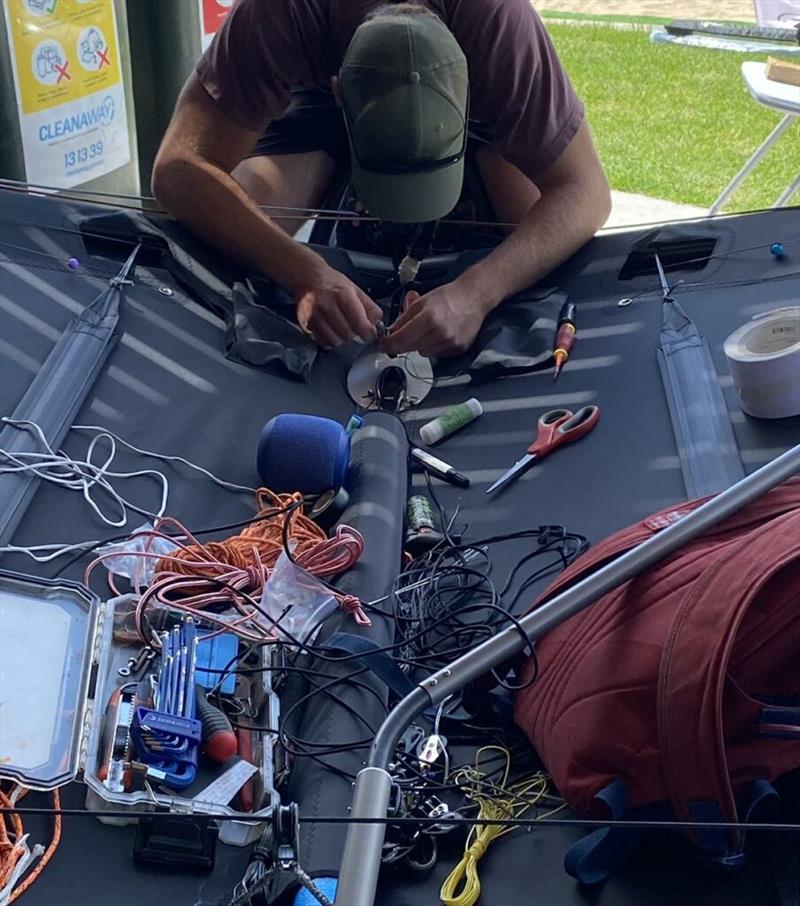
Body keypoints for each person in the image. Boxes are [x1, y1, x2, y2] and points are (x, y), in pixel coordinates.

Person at [152, 0, 610, 357]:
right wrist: (302, 273)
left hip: (470, 77)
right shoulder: (279, 15)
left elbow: (585, 192)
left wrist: (476, 293)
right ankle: (327, 154)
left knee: (531, 236)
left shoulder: (499, 31)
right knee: (241, 225)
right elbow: (177, 171)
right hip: (321, 77)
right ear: (338, 94)